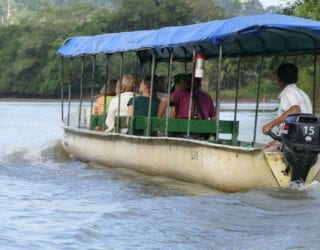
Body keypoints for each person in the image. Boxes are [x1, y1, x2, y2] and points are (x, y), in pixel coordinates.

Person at [262, 63, 312, 149]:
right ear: (296, 78)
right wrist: (276, 141)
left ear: (279, 79)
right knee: (270, 146)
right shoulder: (302, 94)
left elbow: (295, 110)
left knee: (263, 150)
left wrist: (270, 125)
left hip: (294, 144)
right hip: (305, 141)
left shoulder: (287, 92)